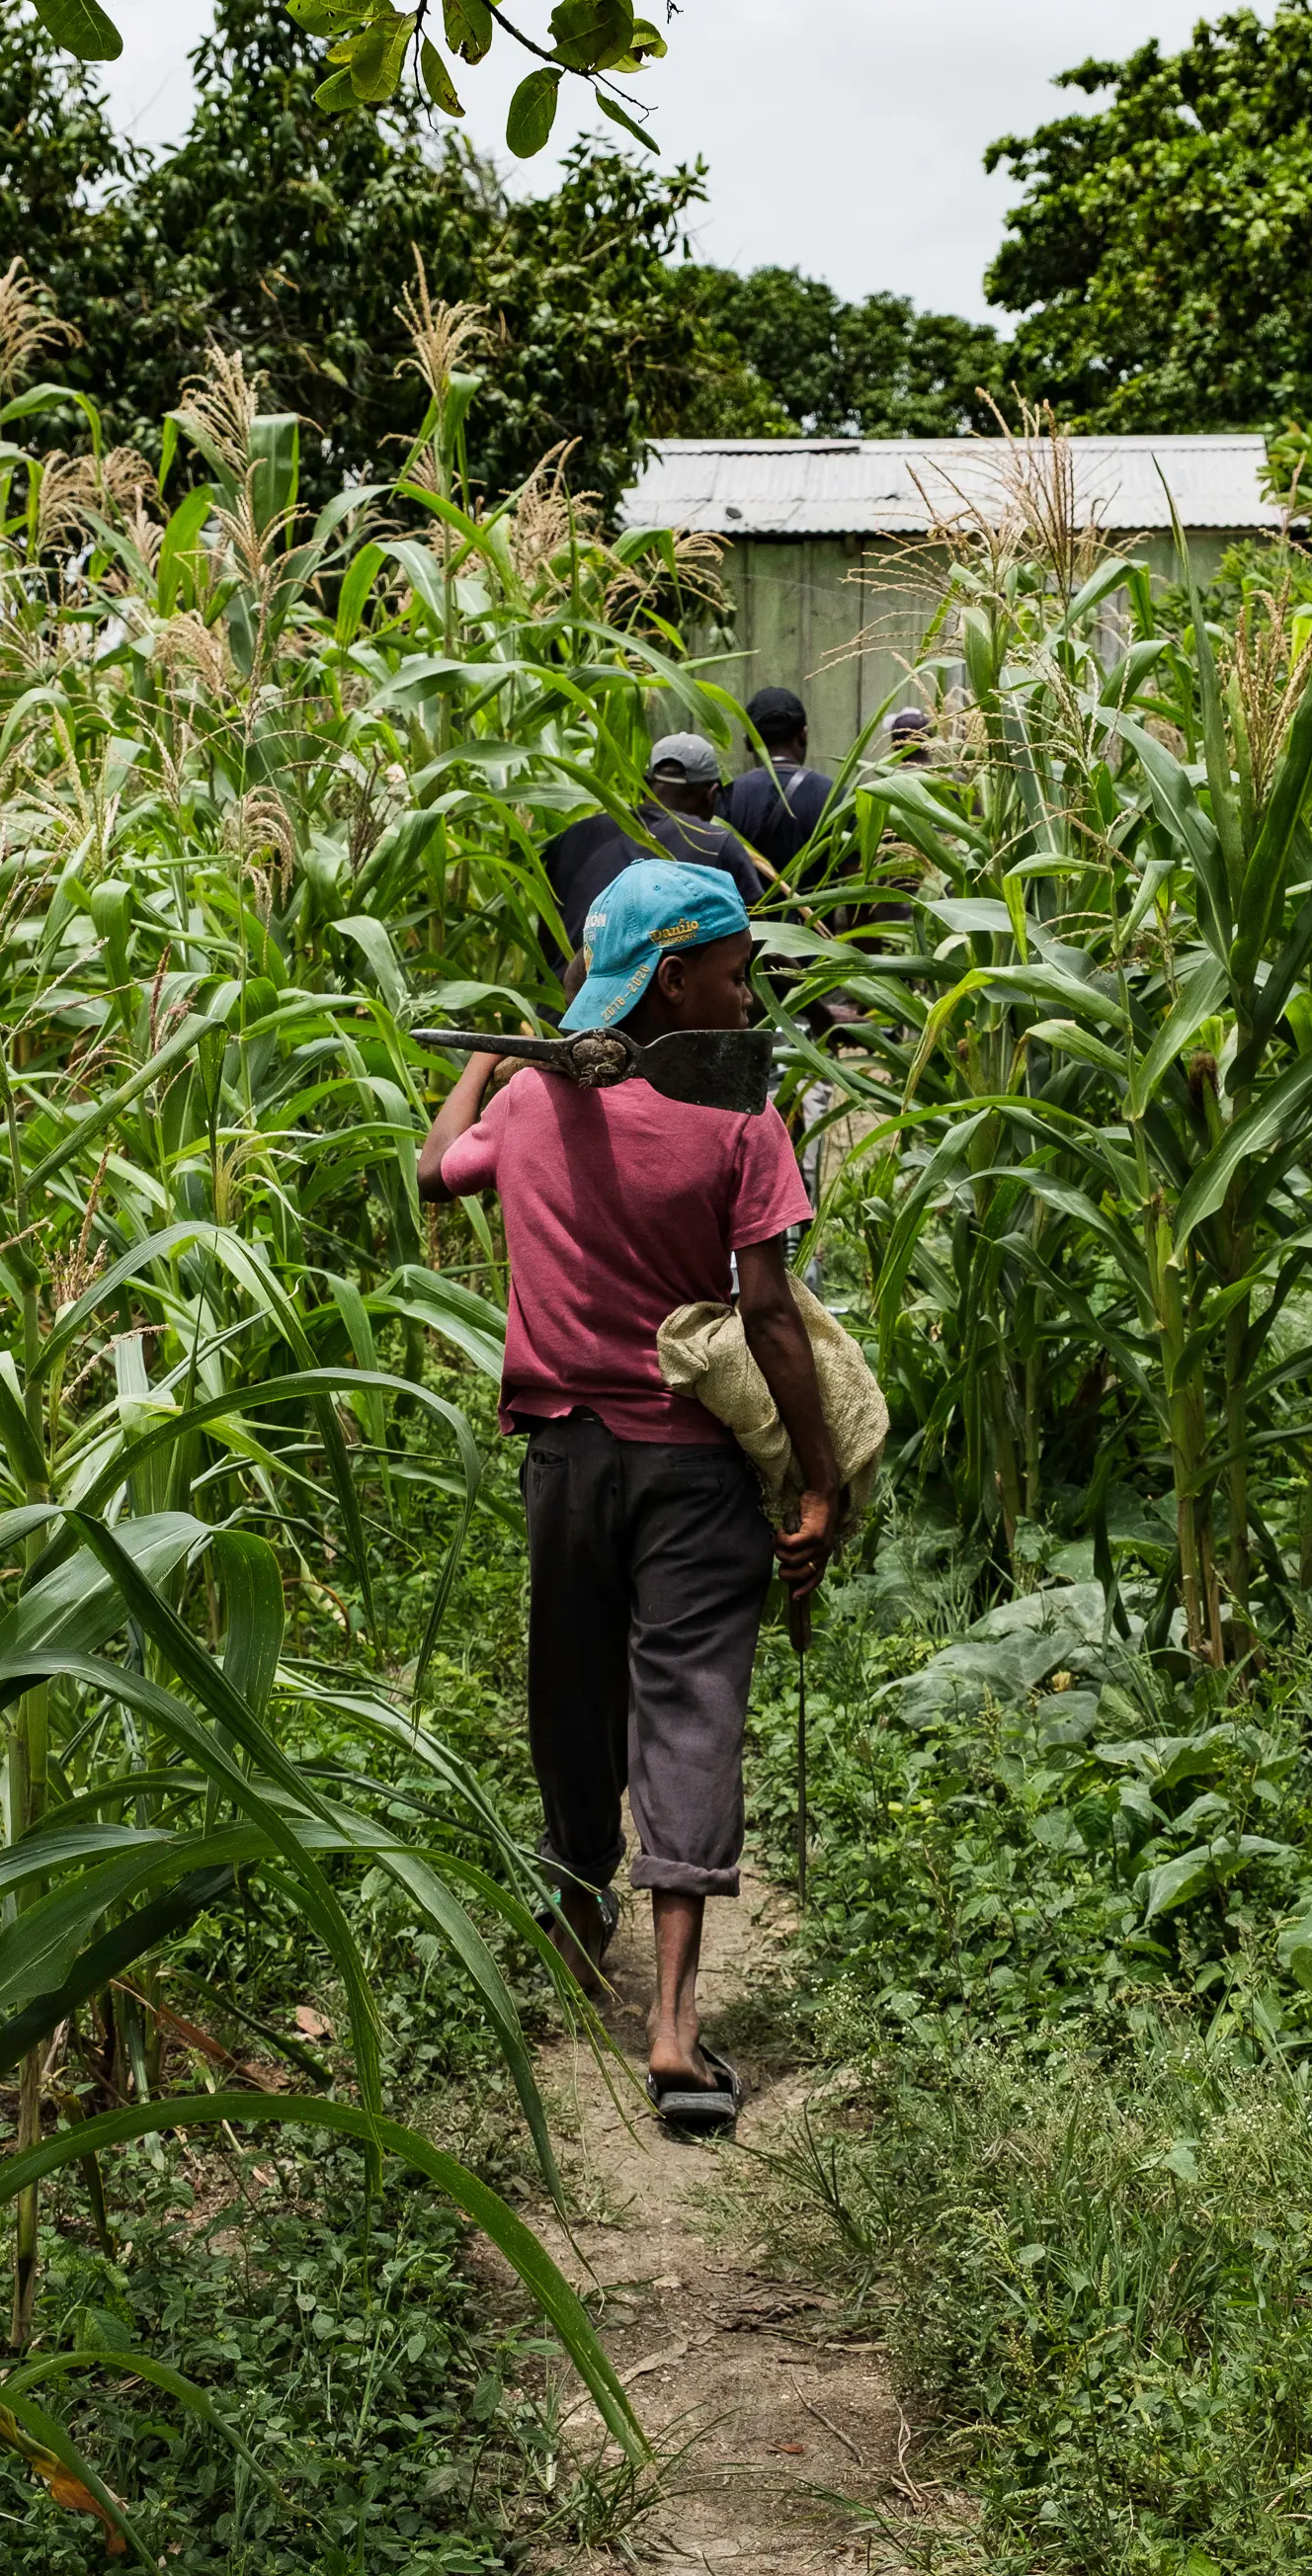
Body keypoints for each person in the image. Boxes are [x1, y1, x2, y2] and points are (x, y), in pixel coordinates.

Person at [417, 861, 843, 2136]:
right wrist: (817, 1478)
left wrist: (495, 1063)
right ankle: (671, 2026)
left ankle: (577, 1893)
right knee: (692, 1703)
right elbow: (766, 1314)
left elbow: (437, 1166)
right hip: (695, 1464)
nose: (745, 989)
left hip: (564, 1456)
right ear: (675, 978)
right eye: (732, 970)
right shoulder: (738, 1118)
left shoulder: (539, 1107)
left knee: (575, 1683)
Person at [539, 731, 762, 956]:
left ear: (645, 784)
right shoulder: (717, 843)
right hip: (663, 989)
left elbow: (549, 932)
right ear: (711, 794)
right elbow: (759, 939)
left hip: (570, 987)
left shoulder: (574, 836)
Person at [721, 686, 835, 887]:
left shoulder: (726, 797)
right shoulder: (835, 796)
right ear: (804, 735)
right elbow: (857, 886)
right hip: (816, 920)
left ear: (748, 742)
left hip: (748, 919)